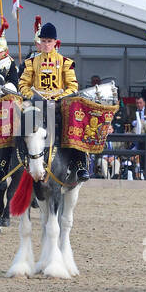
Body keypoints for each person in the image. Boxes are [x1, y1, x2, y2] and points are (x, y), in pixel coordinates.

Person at [18, 21, 88, 182]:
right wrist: (34, 97)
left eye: (49, 41)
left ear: (55, 42)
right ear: (39, 42)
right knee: (22, 119)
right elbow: (23, 85)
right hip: (36, 104)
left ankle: (80, 162)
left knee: (74, 119)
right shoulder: (31, 63)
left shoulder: (65, 62)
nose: (46, 44)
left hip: (58, 104)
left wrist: (57, 99)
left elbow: (73, 86)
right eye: (43, 41)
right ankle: (16, 160)